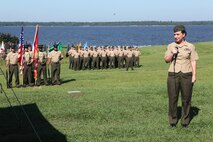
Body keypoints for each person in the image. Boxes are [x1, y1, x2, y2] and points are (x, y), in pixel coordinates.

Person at [164, 25, 199, 128]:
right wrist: (172, 53)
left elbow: (193, 61)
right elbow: (166, 60)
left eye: (178, 34)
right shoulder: (170, 46)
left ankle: (185, 121)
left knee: (186, 99)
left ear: (184, 34)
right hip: (173, 74)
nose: (175, 36)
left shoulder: (191, 46)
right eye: (174, 34)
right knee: (172, 98)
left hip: (186, 74)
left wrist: (194, 75)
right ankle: (173, 121)